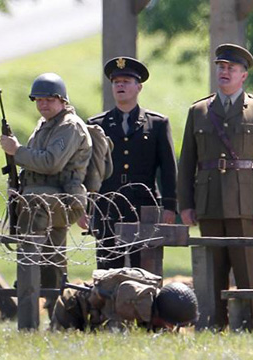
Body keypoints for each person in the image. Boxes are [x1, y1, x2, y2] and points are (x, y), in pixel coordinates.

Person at [178, 43, 253, 331]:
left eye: (230, 68)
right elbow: (187, 161)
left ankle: (250, 324)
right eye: (221, 67)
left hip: (245, 203)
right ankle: (212, 324)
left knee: (247, 269)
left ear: (243, 75)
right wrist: (185, 204)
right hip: (208, 201)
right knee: (212, 271)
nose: (224, 72)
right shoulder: (199, 110)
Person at [0, 73, 92, 318]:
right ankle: (56, 313)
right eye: (38, 100)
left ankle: (49, 305)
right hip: (42, 200)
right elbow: (36, 166)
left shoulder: (68, 126)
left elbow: (51, 163)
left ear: (62, 100)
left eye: (49, 100)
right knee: (51, 260)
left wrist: (17, 150)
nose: (43, 105)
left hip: (60, 200)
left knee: (48, 260)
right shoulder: (45, 125)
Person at [88, 57, 178, 269]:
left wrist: (170, 205)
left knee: (145, 268)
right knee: (108, 270)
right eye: (116, 81)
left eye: (126, 81)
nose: (120, 85)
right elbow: (89, 169)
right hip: (108, 205)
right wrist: (87, 206)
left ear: (139, 87)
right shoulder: (97, 124)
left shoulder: (156, 123)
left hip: (143, 205)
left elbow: (167, 167)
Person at [51, 267, 199, 331]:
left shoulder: (152, 304)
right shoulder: (133, 306)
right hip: (72, 306)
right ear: (165, 319)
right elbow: (111, 340)